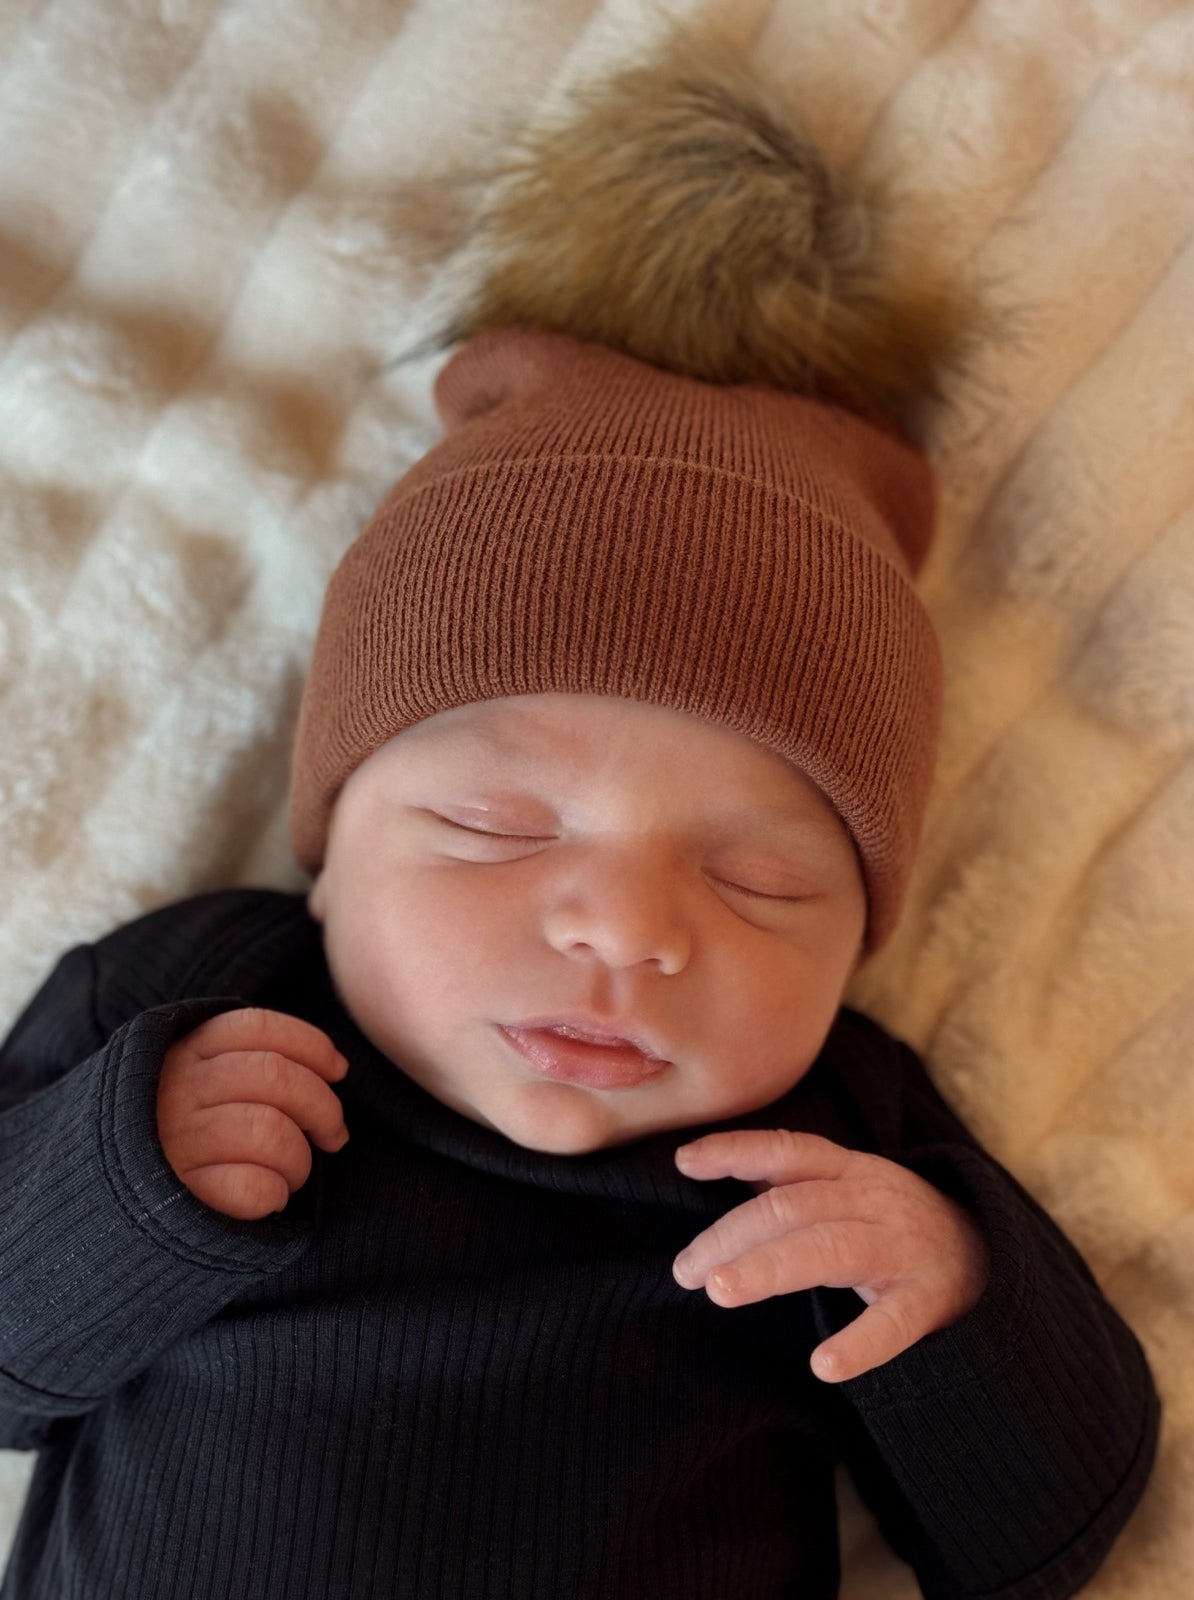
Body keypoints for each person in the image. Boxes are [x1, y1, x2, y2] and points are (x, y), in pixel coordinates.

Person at [0, 31, 1159, 1600]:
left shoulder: (832, 1157)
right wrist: (121, 1185)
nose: (622, 927)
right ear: (331, 845)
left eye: (754, 879)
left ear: (854, 941)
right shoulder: (201, 1001)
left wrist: (955, 1299)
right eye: (496, 825)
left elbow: (1039, 1538)